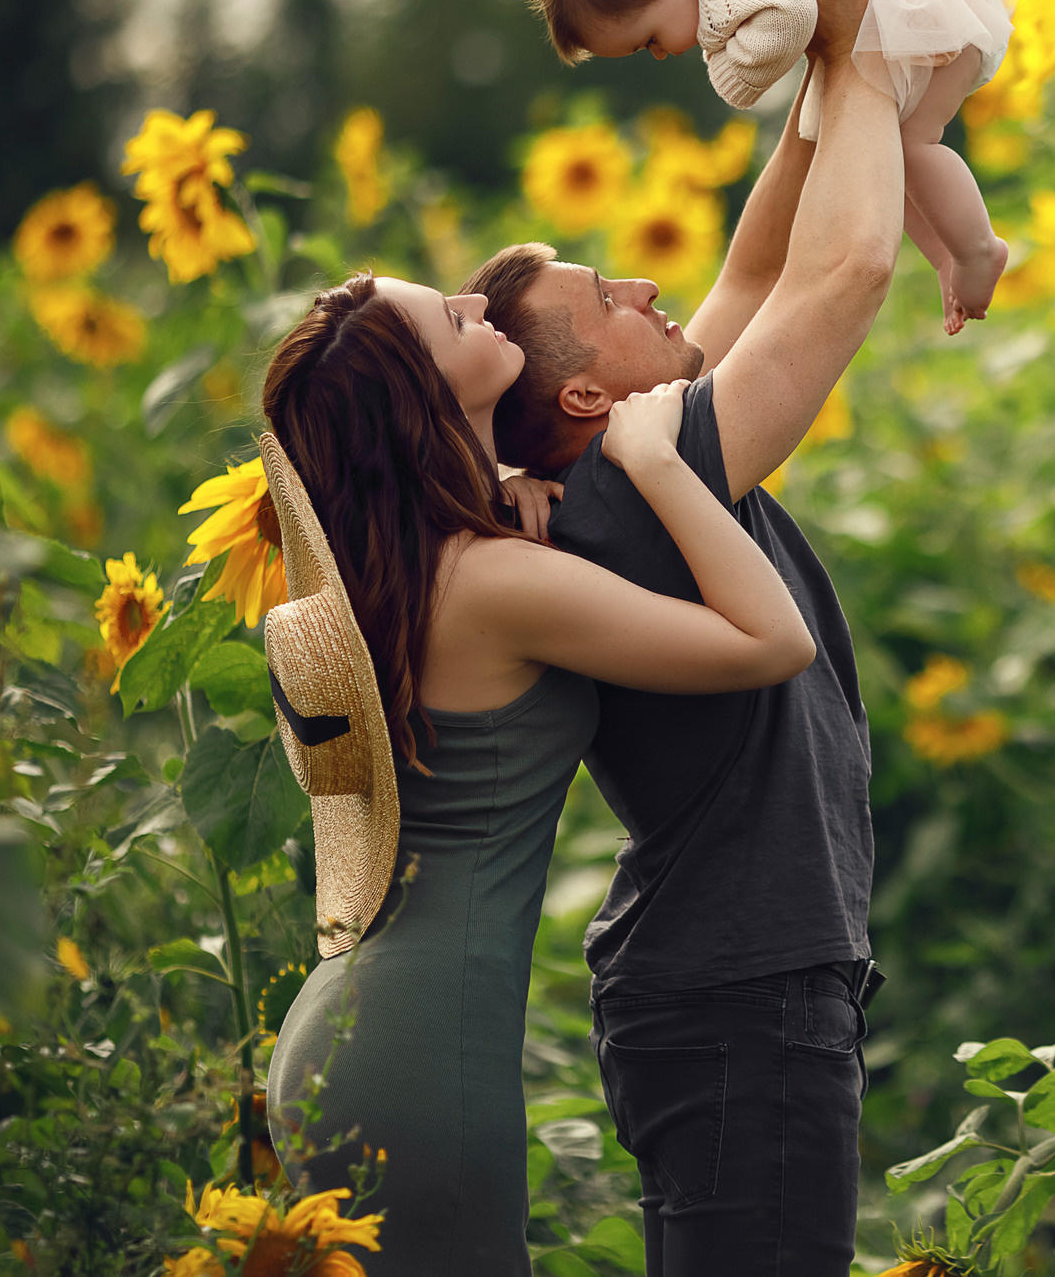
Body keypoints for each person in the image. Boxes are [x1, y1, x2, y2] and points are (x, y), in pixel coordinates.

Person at [463, 0, 897, 1275]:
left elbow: (758, 260)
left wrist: (826, 62)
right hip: (738, 998)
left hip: (729, 983)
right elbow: (846, 270)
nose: (657, 284)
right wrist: (859, 50)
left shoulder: (637, 451)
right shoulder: (646, 484)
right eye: (613, 296)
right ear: (588, 388)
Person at [256, 270, 817, 1276]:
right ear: (424, 395)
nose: (476, 302)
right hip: (417, 1049)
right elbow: (771, 642)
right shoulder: (494, 577)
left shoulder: (423, 564)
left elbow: (748, 271)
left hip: (345, 1025)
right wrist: (654, 464)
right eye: (452, 319)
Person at [524, 0, 1032, 333]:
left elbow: (791, 20)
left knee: (915, 143)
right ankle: (948, 255)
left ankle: (978, 250)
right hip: (893, 7)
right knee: (889, 152)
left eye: (648, 41)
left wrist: (726, 67)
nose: (660, 53)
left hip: (914, 4)